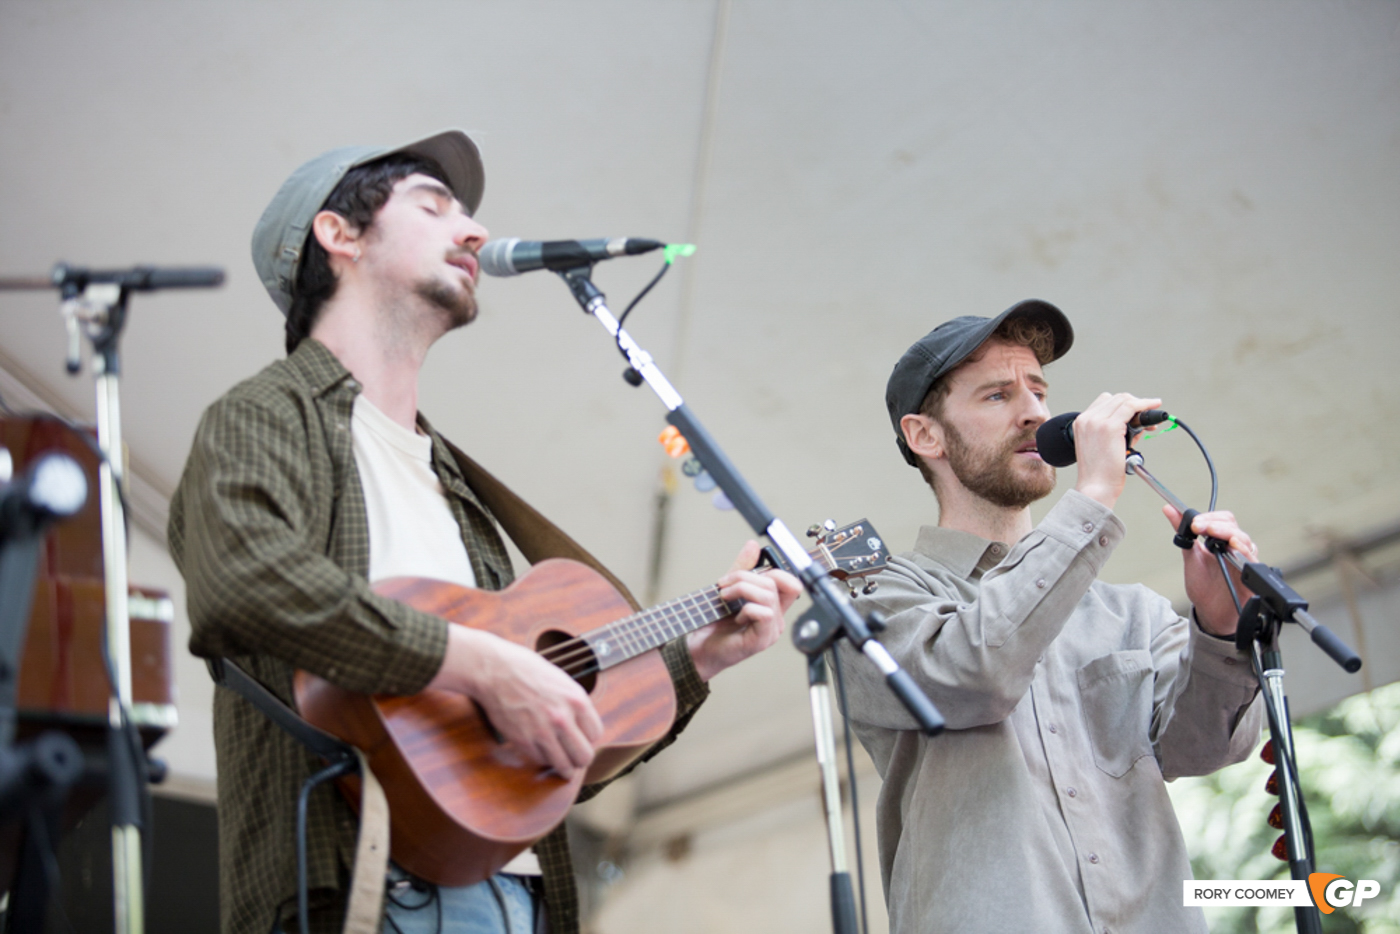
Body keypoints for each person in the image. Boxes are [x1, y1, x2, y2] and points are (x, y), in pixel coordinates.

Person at [167, 129, 800, 934]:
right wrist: (482, 664)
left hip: (521, 899)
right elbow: (241, 584)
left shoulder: (454, 483)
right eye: (434, 207)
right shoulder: (267, 416)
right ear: (339, 234)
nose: (474, 232)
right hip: (359, 888)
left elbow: (525, 758)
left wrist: (702, 658)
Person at [836, 300, 1264, 934]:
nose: (1035, 411)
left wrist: (1223, 628)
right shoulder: (871, 595)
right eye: (997, 395)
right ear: (925, 436)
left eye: (1039, 389)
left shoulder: (1130, 613)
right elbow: (974, 673)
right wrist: (1090, 499)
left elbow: (1209, 747)